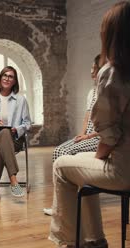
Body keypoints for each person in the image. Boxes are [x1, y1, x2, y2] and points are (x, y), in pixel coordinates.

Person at [48, 1, 130, 248]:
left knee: (62, 166)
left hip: (127, 171)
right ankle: (96, 247)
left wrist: (99, 156)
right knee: (80, 171)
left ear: (111, 34)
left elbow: (107, 132)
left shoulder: (115, 72)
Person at [44, 55, 101, 216]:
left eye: (94, 68)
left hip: (99, 138)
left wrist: (89, 136)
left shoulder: (109, 92)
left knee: (63, 153)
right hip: (89, 136)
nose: (91, 71)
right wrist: (82, 134)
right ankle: (61, 203)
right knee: (58, 151)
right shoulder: (92, 91)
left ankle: (63, 206)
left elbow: (110, 127)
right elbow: (88, 115)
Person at [0, 66, 31, 202]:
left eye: (11, 76)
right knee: (0, 135)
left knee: (3, 136)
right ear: (0, 78)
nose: (7, 78)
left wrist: (17, 129)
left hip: (13, 139)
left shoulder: (21, 100)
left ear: (14, 81)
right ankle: (14, 180)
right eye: (5, 75)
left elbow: (27, 123)